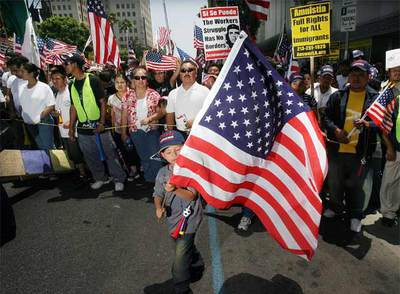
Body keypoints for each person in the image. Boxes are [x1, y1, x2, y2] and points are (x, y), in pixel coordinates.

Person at [322, 59, 378, 233]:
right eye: (353, 74)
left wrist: (368, 124)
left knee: (356, 186)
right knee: (335, 182)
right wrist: (336, 130)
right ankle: (336, 207)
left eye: (361, 75)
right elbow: (326, 119)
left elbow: (382, 123)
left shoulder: (375, 99)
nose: (356, 78)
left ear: (368, 77)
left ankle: (355, 215)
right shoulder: (338, 95)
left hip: (359, 153)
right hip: (337, 151)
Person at [65, 54, 126, 192]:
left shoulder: (93, 80)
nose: (65, 66)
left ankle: (118, 178)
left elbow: (102, 102)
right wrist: (71, 128)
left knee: (110, 153)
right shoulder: (71, 84)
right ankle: (100, 178)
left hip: (99, 125)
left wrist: (102, 122)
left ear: (75, 64)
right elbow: (73, 106)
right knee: (90, 155)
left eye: (67, 63)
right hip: (82, 127)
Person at [153, 131, 204, 294]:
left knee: (179, 260)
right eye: (168, 152)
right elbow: (157, 193)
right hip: (172, 219)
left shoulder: (192, 169)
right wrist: (158, 207)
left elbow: (191, 195)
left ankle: (182, 289)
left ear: (185, 147)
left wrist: (175, 188)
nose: (174, 154)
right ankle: (196, 263)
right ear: (162, 155)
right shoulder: (162, 173)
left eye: (178, 149)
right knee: (182, 247)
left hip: (189, 220)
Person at [121, 66, 164, 184]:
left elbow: (162, 112)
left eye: (143, 77)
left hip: (152, 131)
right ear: (133, 80)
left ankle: (160, 183)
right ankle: (150, 180)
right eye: (137, 77)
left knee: (155, 158)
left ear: (147, 80)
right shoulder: (127, 96)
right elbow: (124, 115)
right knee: (144, 158)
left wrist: (150, 118)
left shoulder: (154, 94)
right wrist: (124, 133)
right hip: (136, 132)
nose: (140, 80)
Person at [51, 66, 86, 178]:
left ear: (64, 79)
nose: (55, 81)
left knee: (77, 153)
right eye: (53, 79)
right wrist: (56, 114)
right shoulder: (57, 94)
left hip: (72, 130)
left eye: (58, 78)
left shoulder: (70, 92)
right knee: (71, 154)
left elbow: (77, 109)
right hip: (63, 131)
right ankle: (78, 173)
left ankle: (84, 174)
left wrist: (71, 123)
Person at [379, 50, 400, 227]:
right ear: (389, 72)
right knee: (389, 181)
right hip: (393, 144)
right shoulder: (386, 91)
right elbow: (382, 122)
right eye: (395, 70)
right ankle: (388, 213)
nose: (398, 72)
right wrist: (390, 147)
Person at [108, 73, 140, 181]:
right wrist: (113, 130)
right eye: (117, 82)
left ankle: (138, 169)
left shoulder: (133, 95)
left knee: (133, 150)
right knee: (123, 150)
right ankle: (131, 170)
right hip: (118, 129)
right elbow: (112, 115)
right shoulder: (111, 98)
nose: (119, 85)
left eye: (122, 82)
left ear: (127, 83)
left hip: (131, 128)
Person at [166, 60, 209, 137]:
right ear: (180, 74)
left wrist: (196, 121)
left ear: (196, 74)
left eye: (190, 70)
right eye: (183, 70)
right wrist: (171, 135)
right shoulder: (173, 93)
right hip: (179, 135)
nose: (186, 73)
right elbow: (170, 116)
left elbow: (210, 113)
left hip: (200, 134)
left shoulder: (205, 91)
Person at [19, 63, 55, 150]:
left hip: (43, 122)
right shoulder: (21, 88)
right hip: (29, 124)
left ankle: (50, 163)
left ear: (31, 74)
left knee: (47, 148)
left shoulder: (44, 87)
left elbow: (51, 105)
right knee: (38, 147)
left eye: (23, 71)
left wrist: (39, 117)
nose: (20, 73)